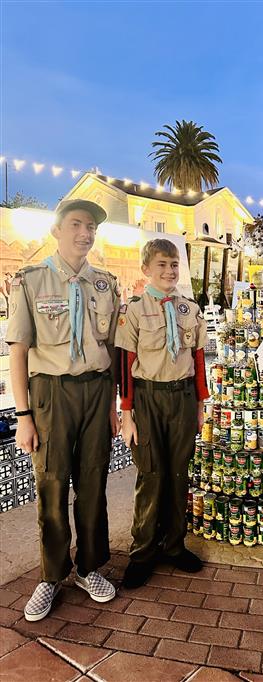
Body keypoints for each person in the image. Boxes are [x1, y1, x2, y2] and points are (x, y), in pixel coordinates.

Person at [7, 199, 120, 621]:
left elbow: (111, 349)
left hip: (96, 390)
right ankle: (51, 575)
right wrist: (23, 416)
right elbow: (18, 351)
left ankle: (89, 568)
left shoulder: (105, 283)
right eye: (76, 224)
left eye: (91, 226)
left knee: (93, 483)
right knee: (52, 486)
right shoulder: (31, 280)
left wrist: (113, 405)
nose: (85, 233)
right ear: (57, 229)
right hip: (51, 393)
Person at [116, 238, 209, 588]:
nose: (169, 271)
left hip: (182, 397)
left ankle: (174, 545)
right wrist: (127, 414)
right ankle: (142, 552)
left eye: (174, 265)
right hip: (148, 398)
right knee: (151, 474)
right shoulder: (134, 310)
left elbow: (198, 361)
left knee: (178, 473)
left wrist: (199, 406)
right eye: (161, 265)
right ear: (146, 269)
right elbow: (125, 366)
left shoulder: (190, 309)